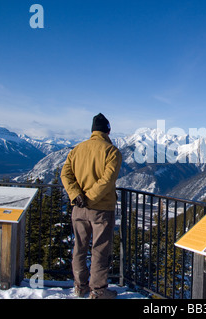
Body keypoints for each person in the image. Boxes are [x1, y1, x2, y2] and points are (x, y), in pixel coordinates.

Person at [61, 113, 122, 299]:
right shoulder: (112, 152)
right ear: (108, 130)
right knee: (100, 250)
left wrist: (76, 195)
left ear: (92, 131)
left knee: (79, 247)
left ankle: (80, 287)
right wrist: (90, 198)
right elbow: (107, 180)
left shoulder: (76, 150)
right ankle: (98, 291)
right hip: (101, 209)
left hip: (78, 208)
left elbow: (65, 175)